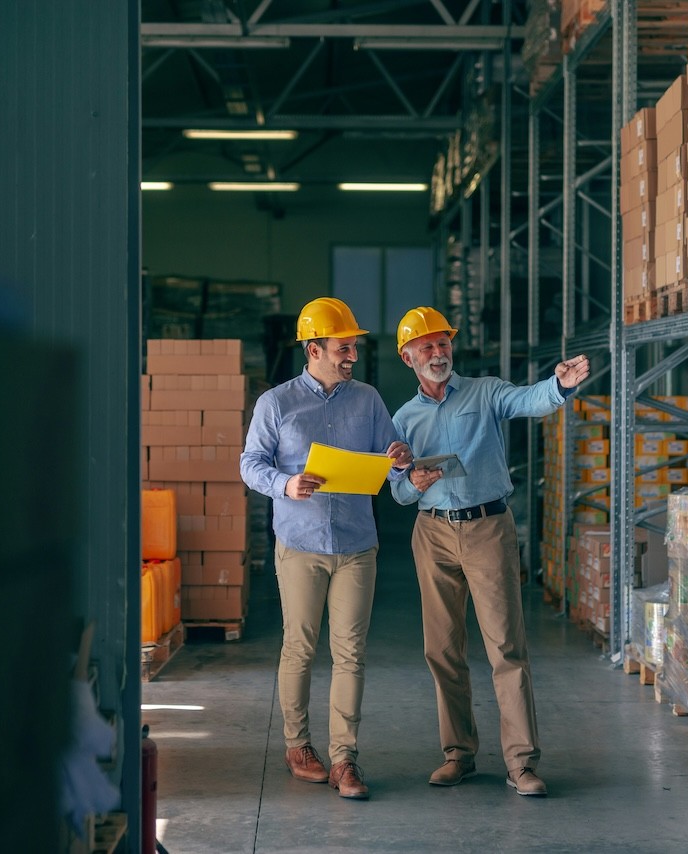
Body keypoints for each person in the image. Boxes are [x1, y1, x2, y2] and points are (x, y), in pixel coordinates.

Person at [388, 306, 589, 798]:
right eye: (428, 346)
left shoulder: (485, 391)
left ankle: (522, 764)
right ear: (407, 356)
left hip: (487, 528)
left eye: (443, 344)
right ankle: (458, 754)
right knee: (442, 649)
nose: (438, 353)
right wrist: (412, 480)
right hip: (432, 533)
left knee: (505, 647)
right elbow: (396, 491)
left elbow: (531, 400)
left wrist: (559, 386)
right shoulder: (403, 419)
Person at [240, 296, 413, 800]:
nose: (351, 357)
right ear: (314, 349)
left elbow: (394, 457)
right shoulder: (276, 403)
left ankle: (345, 760)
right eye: (343, 348)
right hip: (300, 544)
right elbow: (250, 464)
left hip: (357, 544)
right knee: (300, 646)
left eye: (353, 348)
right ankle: (298, 747)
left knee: (351, 652)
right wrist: (285, 484)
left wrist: (400, 457)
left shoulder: (369, 400)